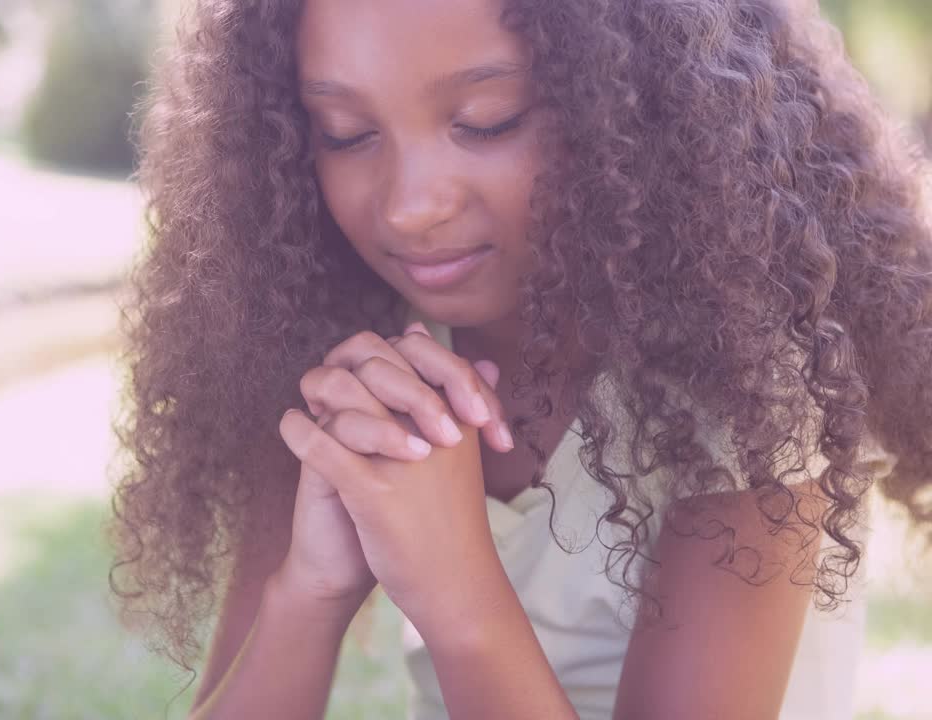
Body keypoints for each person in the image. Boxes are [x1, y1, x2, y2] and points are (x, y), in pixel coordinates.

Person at [109, 0, 932, 717]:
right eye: (346, 134)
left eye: (487, 119)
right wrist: (309, 592)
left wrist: (456, 593)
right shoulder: (346, 365)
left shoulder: (749, 397)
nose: (411, 204)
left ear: (638, 107)